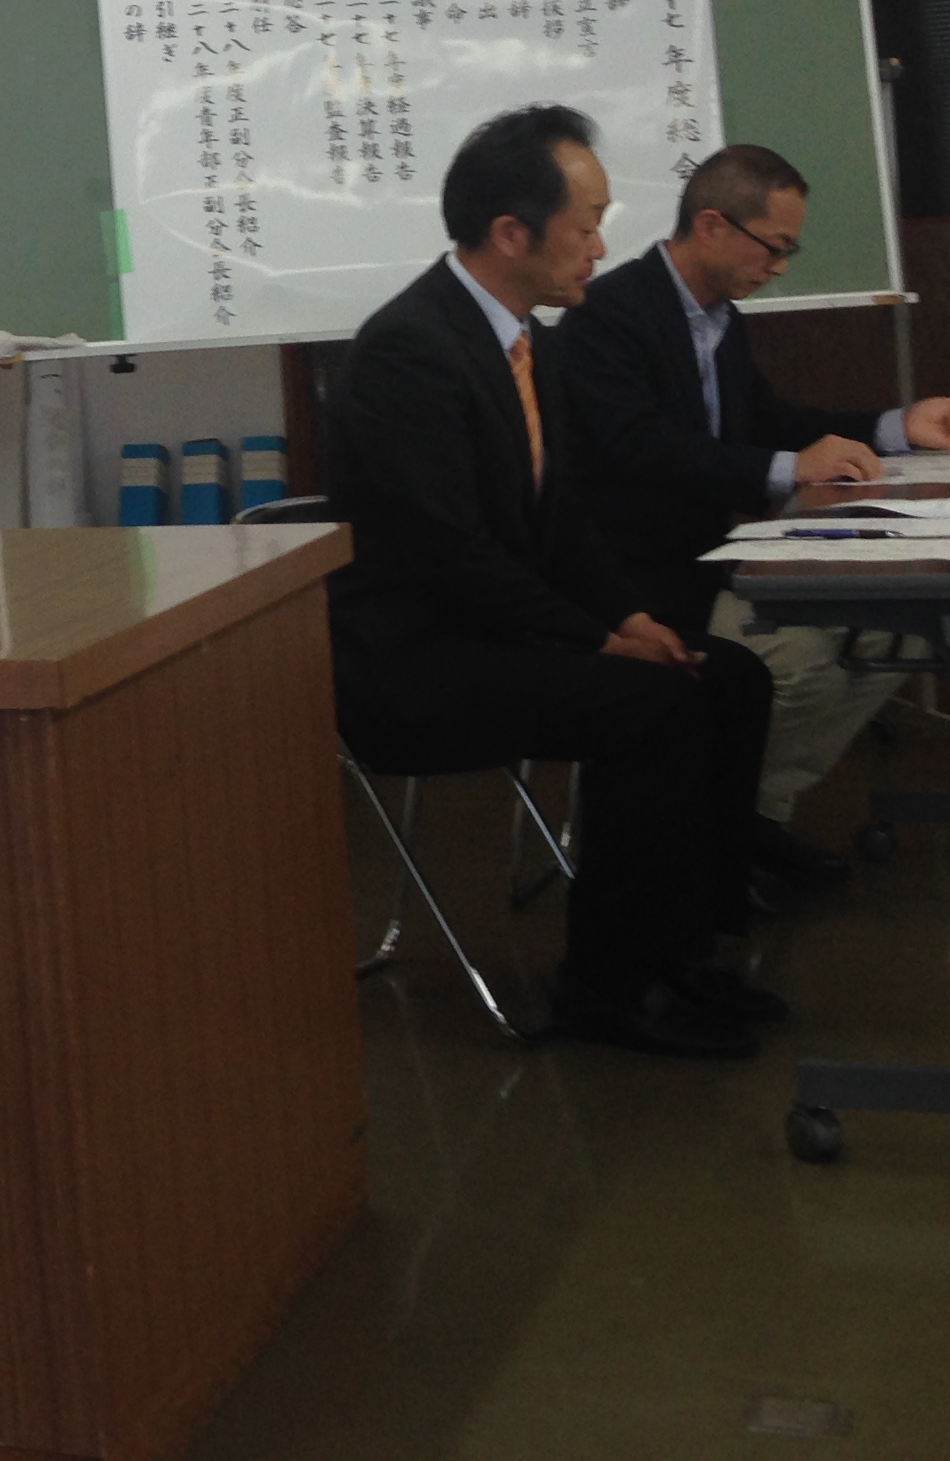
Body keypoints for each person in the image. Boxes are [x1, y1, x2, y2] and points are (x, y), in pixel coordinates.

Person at [324, 104, 780, 1059]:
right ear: (511, 234)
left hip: (498, 631)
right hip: (418, 663)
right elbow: (450, 554)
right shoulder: (410, 350)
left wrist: (630, 615)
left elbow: (562, 520)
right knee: (651, 704)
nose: (601, 249)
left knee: (729, 677)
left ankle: (685, 953)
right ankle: (609, 988)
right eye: (587, 226)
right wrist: (596, 639)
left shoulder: (528, 341)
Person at [550, 143, 950, 886]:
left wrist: (895, 426)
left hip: (716, 558)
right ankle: (708, 836)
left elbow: (767, 418)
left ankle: (748, 819)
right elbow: (641, 448)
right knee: (795, 665)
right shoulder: (610, 315)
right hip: (640, 581)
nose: (780, 267)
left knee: (891, 630)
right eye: (774, 247)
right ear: (712, 227)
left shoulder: (719, 317)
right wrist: (787, 470)